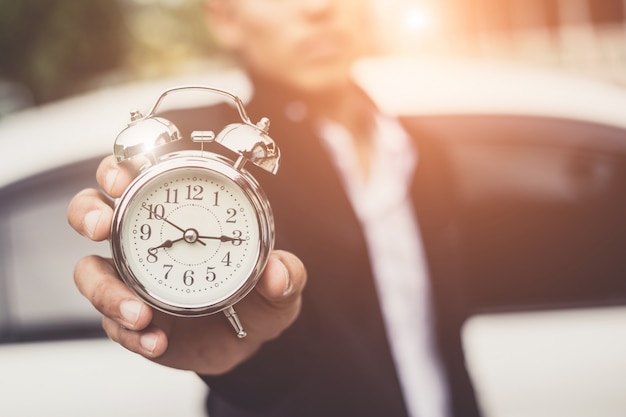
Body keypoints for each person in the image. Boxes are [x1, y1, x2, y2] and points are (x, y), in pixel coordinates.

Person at [67, 0, 626, 416]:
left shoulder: (422, 154)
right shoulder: (206, 165)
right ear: (227, 18)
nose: (319, 8)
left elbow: (440, 334)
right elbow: (270, 359)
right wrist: (241, 359)